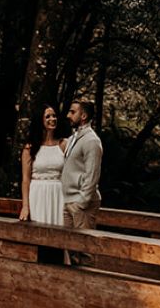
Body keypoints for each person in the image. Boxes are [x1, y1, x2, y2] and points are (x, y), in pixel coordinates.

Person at [61, 100, 103, 264]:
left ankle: (89, 287)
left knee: (84, 252)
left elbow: (92, 174)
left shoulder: (92, 141)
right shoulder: (74, 138)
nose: (68, 115)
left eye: (72, 112)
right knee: (67, 250)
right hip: (67, 201)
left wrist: (81, 203)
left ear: (83, 116)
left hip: (81, 204)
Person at [18, 105, 67, 226]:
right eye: (48, 116)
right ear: (40, 120)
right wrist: (25, 206)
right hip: (38, 193)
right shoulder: (30, 148)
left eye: (54, 115)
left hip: (58, 193)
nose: (53, 118)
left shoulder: (63, 144)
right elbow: (25, 179)